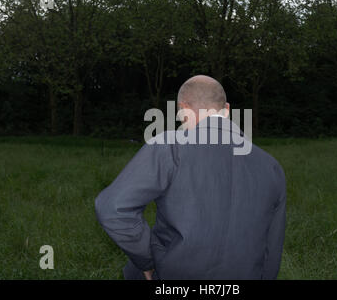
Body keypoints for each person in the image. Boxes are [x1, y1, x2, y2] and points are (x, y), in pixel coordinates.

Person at [95, 75, 286, 280]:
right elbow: (272, 249)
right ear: (227, 109)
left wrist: (148, 261)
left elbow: (114, 208)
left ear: (183, 109)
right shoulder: (271, 166)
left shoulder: (170, 147)